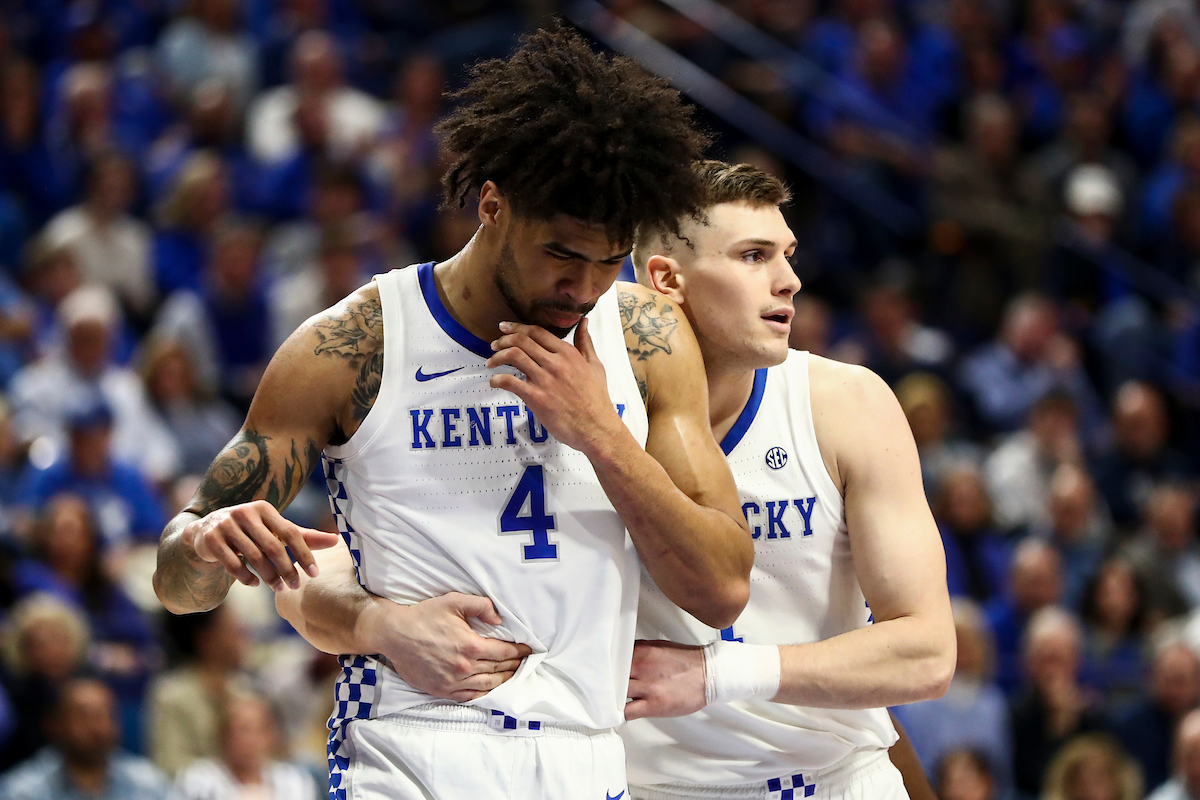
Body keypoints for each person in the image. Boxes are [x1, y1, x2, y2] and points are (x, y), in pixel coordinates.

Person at [153, 25, 751, 800]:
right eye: (562, 255)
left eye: (610, 260)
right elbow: (176, 584)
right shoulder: (353, 345)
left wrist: (600, 433)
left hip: (587, 750)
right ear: (493, 206)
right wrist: (203, 539)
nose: (585, 288)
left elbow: (722, 586)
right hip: (411, 745)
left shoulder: (643, 337)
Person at [280, 161, 954, 798]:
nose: (788, 281)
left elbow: (925, 653)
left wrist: (721, 675)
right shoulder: (543, 404)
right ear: (665, 280)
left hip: (835, 775)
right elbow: (343, 557)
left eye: (788, 255)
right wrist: (382, 621)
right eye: (753, 257)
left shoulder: (843, 405)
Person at [0, 677, 169, 800]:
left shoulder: (148, 781)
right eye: (84, 717)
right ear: (54, 725)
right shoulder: (22, 790)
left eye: (105, 716)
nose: (97, 727)